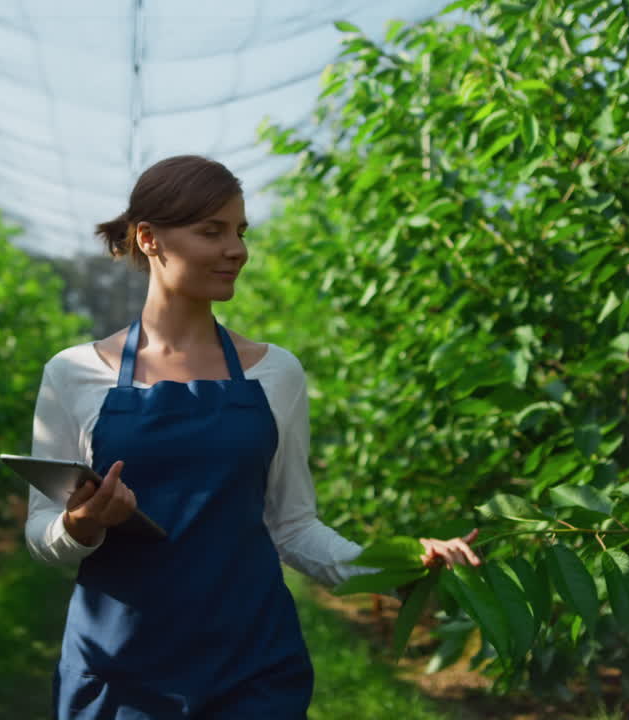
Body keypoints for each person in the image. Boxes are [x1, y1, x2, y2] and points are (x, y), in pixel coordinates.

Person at [24, 154, 481, 719]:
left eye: (240, 231)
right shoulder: (74, 373)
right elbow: (40, 531)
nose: (236, 249)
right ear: (148, 239)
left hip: (251, 670)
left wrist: (399, 567)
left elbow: (294, 526)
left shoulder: (276, 373)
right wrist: (81, 523)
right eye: (211, 231)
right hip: (121, 671)